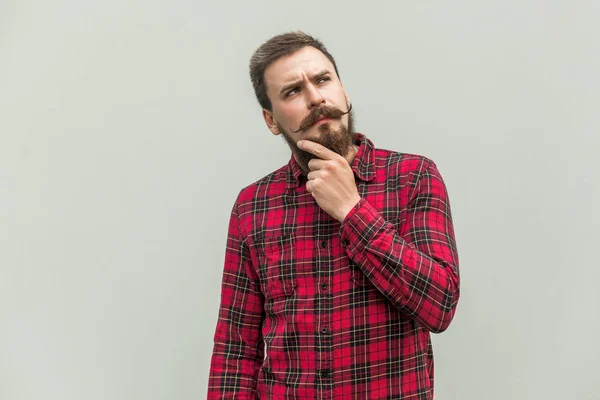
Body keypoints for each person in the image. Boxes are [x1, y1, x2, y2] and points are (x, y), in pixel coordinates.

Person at [208, 31, 460, 399]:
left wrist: (353, 211)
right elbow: (236, 349)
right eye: (292, 91)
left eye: (323, 80)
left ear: (344, 92)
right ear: (271, 120)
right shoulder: (252, 206)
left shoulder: (414, 177)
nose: (315, 98)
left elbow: (439, 306)